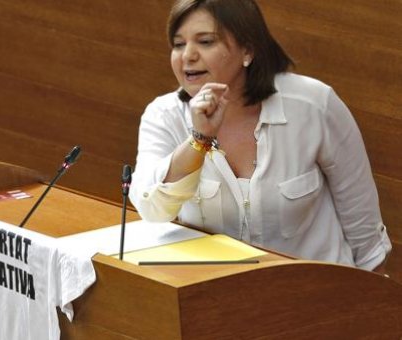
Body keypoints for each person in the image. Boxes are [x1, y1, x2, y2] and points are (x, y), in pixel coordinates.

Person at [129, 0, 391, 272]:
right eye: (178, 44)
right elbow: (153, 210)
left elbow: (365, 230)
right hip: (219, 296)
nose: (188, 56)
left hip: (317, 293)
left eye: (205, 42)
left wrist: (371, 305)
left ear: (247, 50)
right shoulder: (163, 115)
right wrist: (199, 140)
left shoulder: (313, 105)